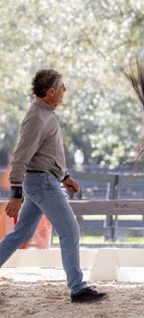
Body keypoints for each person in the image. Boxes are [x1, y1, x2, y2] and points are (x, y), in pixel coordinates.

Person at [0, 69, 107, 303]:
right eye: (62, 88)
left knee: (22, 233)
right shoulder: (37, 117)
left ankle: (78, 287)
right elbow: (20, 157)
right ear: (51, 91)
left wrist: (65, 176)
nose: (64, 91)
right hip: (40, 183)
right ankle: (78, 289)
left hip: (45, 180)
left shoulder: (46, 113)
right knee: (70, 232)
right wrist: (16, 194)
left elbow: (47, 153)